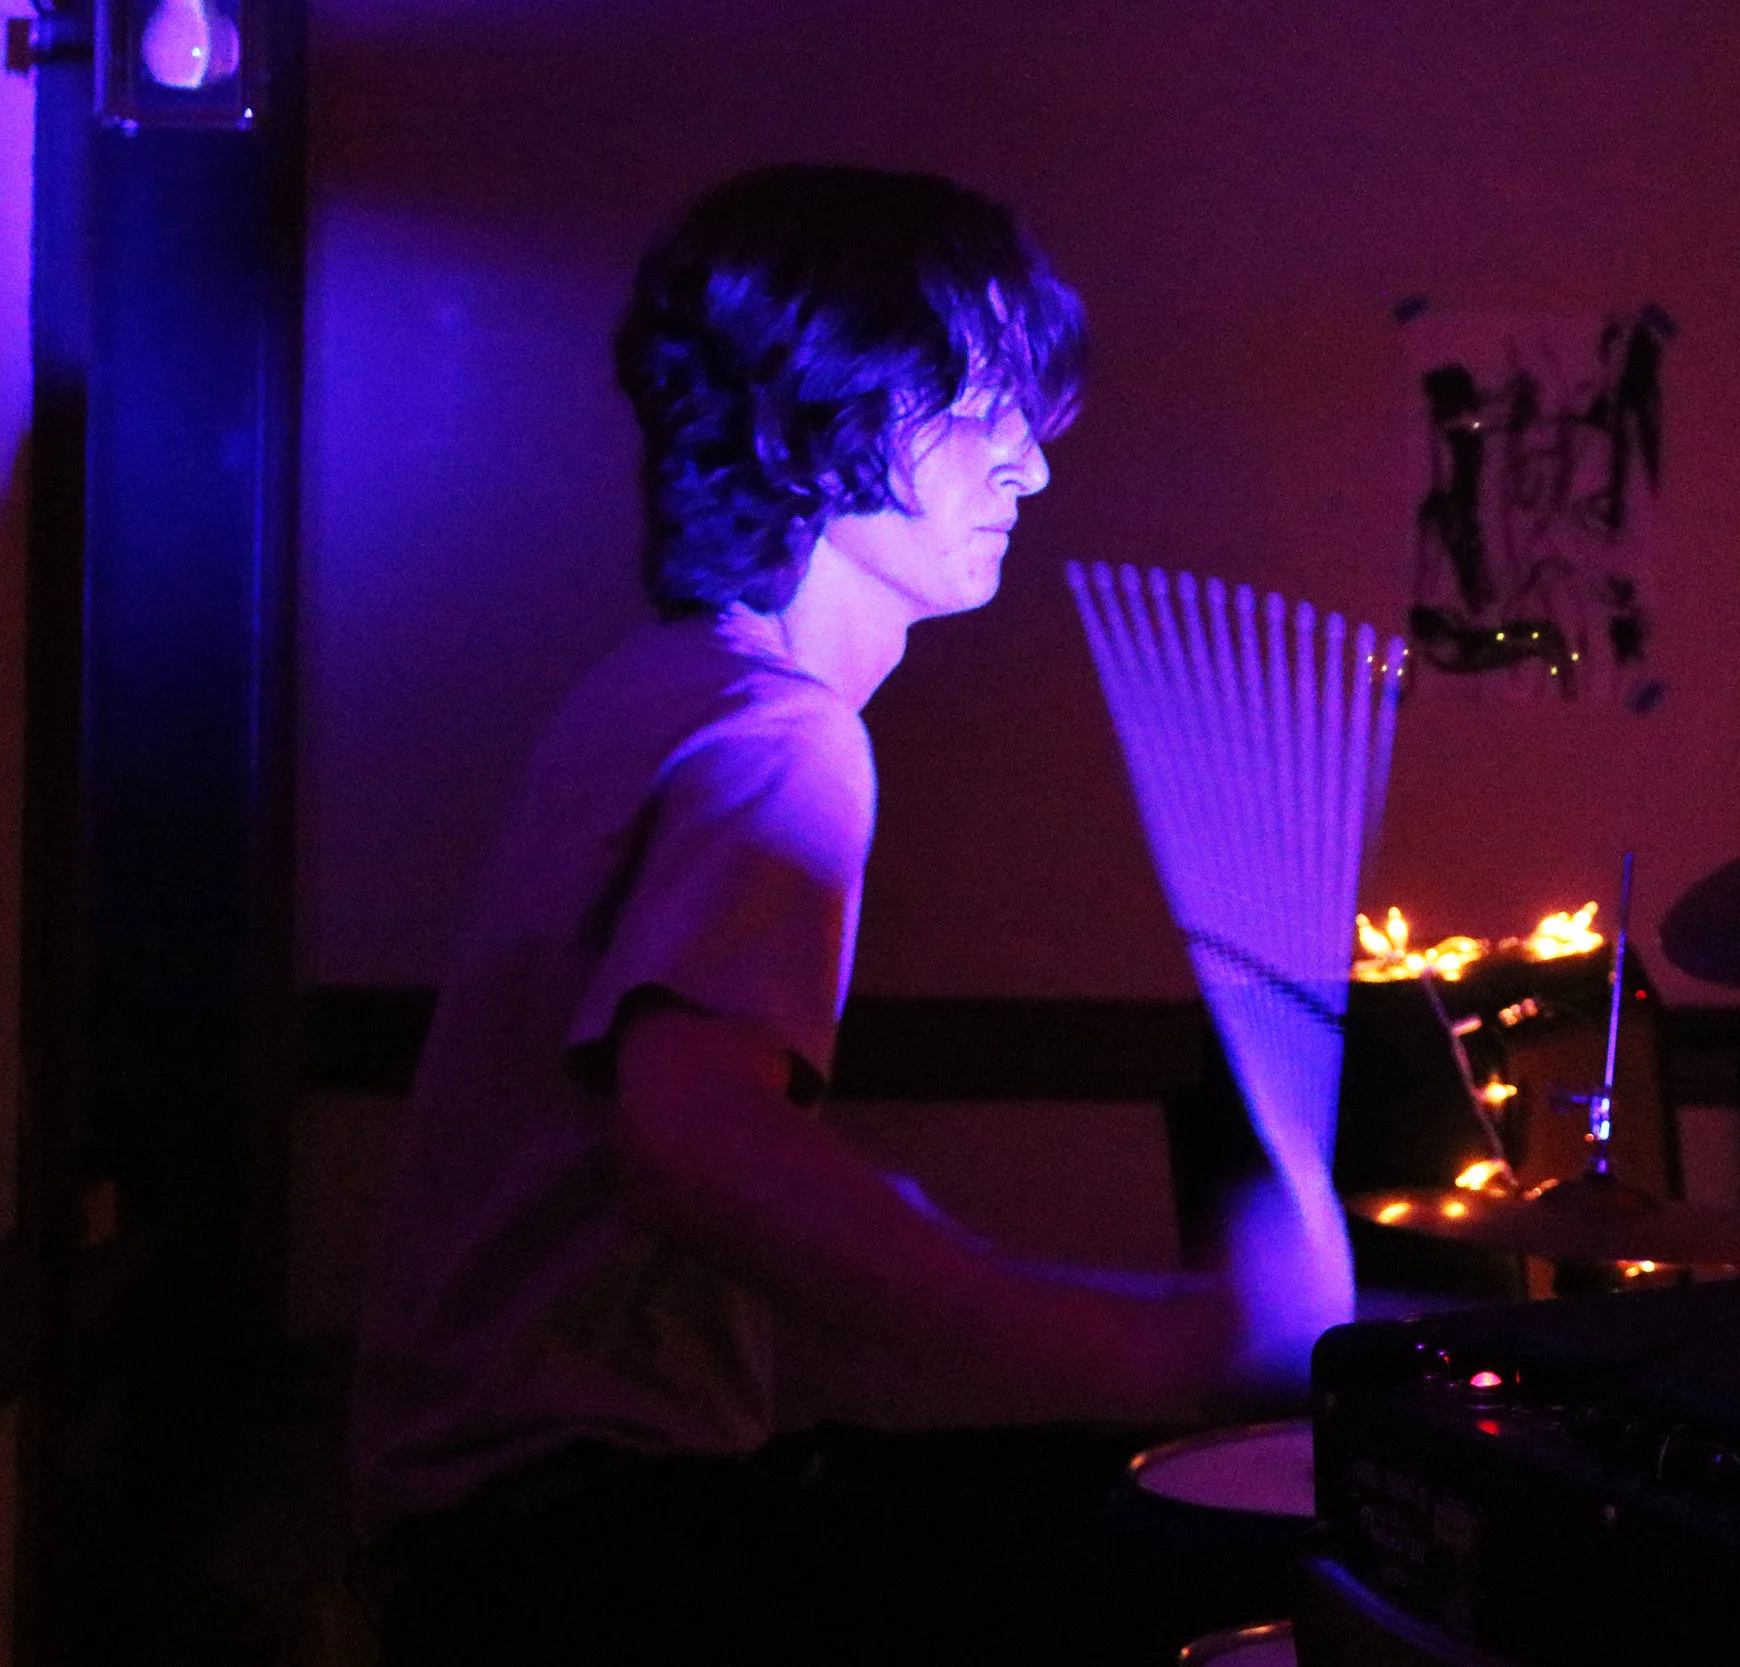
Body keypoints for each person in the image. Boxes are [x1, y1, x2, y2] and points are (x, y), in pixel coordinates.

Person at [353, 165, 1296, 1667]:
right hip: (577, 1549)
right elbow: (697, 1147)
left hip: (494, 1533)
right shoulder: (778, 736)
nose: (1031, 466)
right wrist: (1136, 1337)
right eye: (982, 404)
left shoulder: (659, 686)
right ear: (823, 413)